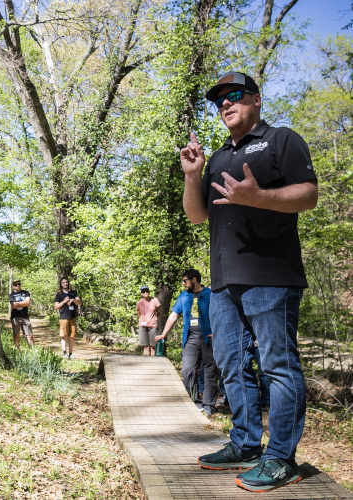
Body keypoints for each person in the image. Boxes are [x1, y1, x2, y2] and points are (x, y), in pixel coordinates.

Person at [183, 71, 318, 491]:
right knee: (230, 364)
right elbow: (197, 215)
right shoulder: (219, 157)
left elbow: (309, 195)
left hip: (271, 278)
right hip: (223, 283)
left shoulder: (282, 140)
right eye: (219, 99)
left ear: (256, 99)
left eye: (235, 95)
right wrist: (193, 174)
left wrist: (258, 197)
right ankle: (244, 444)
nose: (226, 103)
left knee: (278, 367)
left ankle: (281, 459)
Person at [155, 270, 217, 416]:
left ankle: (209, 405)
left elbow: (221, 313)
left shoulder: (210, 294)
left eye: (185, 281)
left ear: (194, 279)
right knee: (187, 370)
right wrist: (163, 334)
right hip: (191, 339)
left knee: (210, 372)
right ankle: (194, 401)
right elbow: (174, 315)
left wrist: (218, 332)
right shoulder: (184, 296)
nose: (183, 284)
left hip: (209, 339)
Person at [54, 277, 82, 358]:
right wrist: (64, 301)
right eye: (63, 282)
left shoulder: (73, 293)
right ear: (61, 284)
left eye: (66, 282)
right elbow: (56, 306)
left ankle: (71, 353)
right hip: (64, 317)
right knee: (64, 336)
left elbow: (79, 303)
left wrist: (73, 300)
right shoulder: (59, 294)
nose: (65, 283)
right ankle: (64, 353)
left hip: (72, 317)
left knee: (72, 336)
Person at [136, 285, 161, 356]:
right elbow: (138, 314)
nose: (145, 293)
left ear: (149, 292)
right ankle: (146, 363)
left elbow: (159, 311)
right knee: (146, 347)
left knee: (152, 346)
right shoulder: (139, 302)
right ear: (141, 293)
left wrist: (154, 319)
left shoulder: (155, 300)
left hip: (152, 325)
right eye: (143, 291)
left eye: (147, 291)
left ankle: (152, 363)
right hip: (143, 325)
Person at [8, 280, 33, 348]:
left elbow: (27, 302)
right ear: (13, 286)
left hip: (25, 316)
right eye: (16, 285)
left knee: (29, 335)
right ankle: (18, 349)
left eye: (19, 284)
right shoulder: (11, 295)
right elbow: (13, 306)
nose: (18, 286)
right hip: (15, 317)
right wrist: (24, 303)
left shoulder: (26, 293)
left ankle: (32, 349)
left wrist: (17, 304)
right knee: (16, 335)